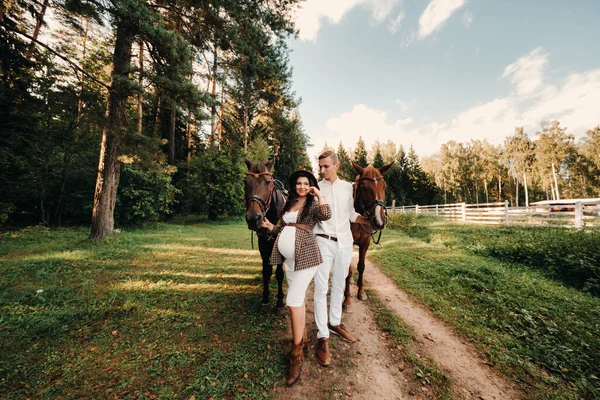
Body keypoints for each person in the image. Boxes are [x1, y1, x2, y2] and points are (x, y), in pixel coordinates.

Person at [259, 169, 331, 387]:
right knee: (297, 302)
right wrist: (269, 227)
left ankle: (296, 353)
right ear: (294, 185)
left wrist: (319, 194)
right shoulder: (289, 204)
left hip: (307, 258)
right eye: (298, 183)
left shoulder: (313, 205)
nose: (301, 186)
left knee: (291, 301)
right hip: (289, 262)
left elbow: (326, 214)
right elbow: (280, 229)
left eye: (305, 183)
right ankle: (305, 340)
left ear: (310, 185)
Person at [312, 150, 370, 367]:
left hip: (345, 243)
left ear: (337, 165)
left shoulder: (347, 187)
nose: (322, 170)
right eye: (320, 166)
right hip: (323, 241)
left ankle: (335, 322)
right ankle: (322, 335)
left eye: (326, 166)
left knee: (339, 285)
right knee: (320, 288)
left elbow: (351, 214)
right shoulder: (316, 188)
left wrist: (366, 220)